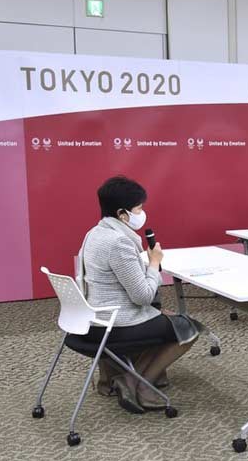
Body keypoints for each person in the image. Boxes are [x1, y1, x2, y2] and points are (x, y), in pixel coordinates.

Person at [80, 176, 197, 414]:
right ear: (122, 213)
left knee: (165, 316)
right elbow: (142, 296)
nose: (142, 213)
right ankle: (135, 384)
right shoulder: (118, 242)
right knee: (187, 327)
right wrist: (154, 263)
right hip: (117, 323)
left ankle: (117, 377)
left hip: (92, 319)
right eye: (139, 208)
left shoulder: (94, 234)